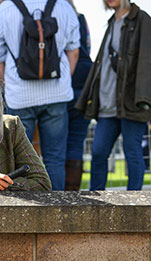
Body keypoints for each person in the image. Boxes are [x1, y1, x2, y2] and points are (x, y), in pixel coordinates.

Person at [76, 0, 151, 191]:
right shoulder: (112, 23)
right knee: (99, 153)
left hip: (132, 103)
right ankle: (96, 204)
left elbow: (150, 64)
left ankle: (133, 204)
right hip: (107, 104)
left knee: (132, 152)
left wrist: (142, 99)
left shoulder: (143, 21)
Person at [0, 0, 80, 191]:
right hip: (56, 95)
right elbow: (74, 52)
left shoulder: (7, 8)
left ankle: (23, 206)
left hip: (20, 96)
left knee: (17, 158)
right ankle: (56, 207)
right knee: (55, 157)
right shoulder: (64, 7)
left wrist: (7, 85)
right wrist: (63, 80)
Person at [64, 0, 93, 191]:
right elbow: (87, 48)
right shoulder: (80, 19)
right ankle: (73, 193)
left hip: (61, 88)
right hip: (84, 85)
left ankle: (56, 193)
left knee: (55, 148)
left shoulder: (56, 16)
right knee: (75, 144)